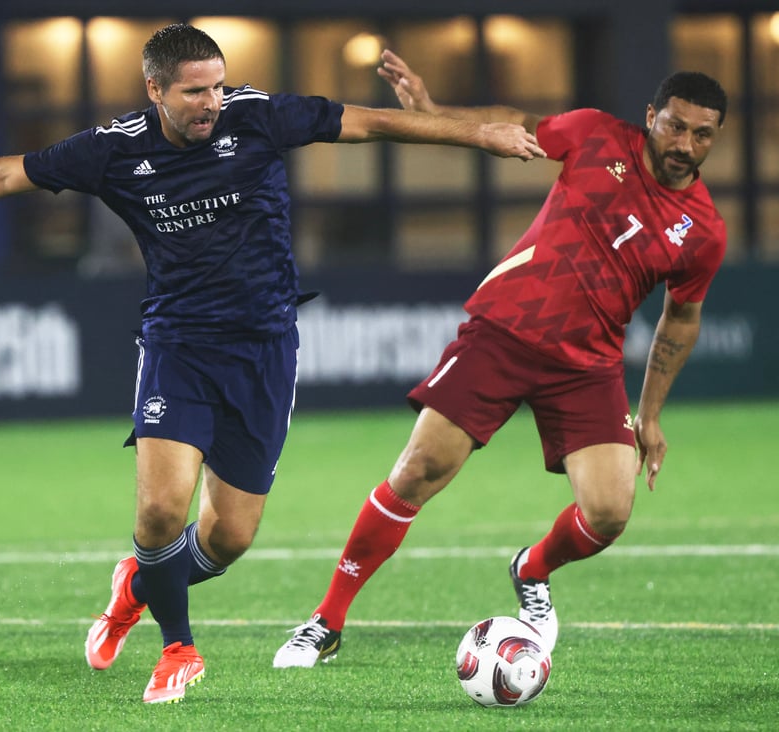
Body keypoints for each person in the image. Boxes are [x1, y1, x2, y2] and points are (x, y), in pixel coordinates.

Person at [0, 25, 544, 704]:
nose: (212, 102)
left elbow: (372, 124)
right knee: (162, 509)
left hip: (264, 349)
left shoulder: (257, 118)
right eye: (196, 91)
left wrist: (477, 133)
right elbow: (7, 174)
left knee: (229, 537)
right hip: (178, 345)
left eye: (218, 85)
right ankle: (178, 648)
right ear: (156, 90)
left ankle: (134, 588)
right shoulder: (114, 150)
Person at [273, 49, 728, 668]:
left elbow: (681, 320)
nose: (685, 144)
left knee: (608, 513)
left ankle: (532, 570)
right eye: (675, 126)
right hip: (505, 331)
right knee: (418, 469)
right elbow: (513, 123)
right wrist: (434, 111)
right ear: (651, 117)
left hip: (588, 363)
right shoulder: (596, 134)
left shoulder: (704, 230)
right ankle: (326, 620)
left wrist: (649, 415)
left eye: (702, 134)